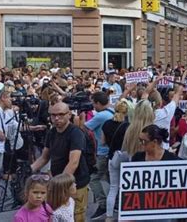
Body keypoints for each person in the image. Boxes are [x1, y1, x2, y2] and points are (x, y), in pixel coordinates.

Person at [31, 102, 90, 222]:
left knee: (75, 216)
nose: (56, 118)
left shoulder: (75, 133)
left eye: (61, 114)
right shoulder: (51, 132)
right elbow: (44, 157)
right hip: (58, 183)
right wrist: (29, 170)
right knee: (57, 216)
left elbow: (73, 162)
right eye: (53, 115)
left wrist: (59, 184)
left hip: (75, 184)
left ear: (69, 115)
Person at [85, 91, 114, 220]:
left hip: (102, 152)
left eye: (93, 103)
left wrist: (79, 117)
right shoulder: (112, 112)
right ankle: (114, 202)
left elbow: (82, 129)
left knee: (94, 178)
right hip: (111, 152)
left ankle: (103, 204)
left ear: (97, 103)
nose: (92, 106)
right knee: (109, 178)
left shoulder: (101, 116)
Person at [103, 100, 133, 219]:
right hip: (126, 157)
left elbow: (103, 141)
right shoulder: (129, 126)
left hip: (113, 157)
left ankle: (109, 216)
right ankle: (125, 214)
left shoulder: (106, 124)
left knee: (113, 188)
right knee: (126, 187)